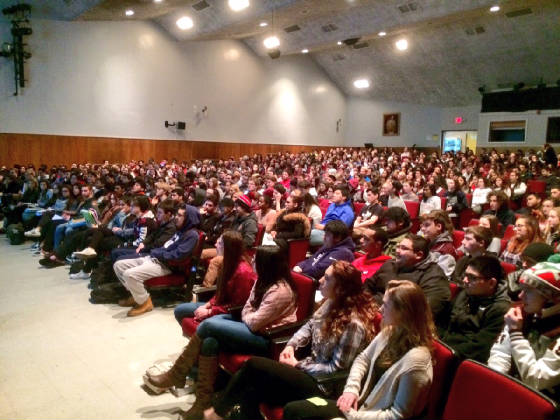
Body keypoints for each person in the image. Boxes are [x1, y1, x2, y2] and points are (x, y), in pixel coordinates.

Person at [203, 261, 380, 420]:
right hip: (308, 370)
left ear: (341, 288)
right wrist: (291, 345)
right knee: (251, 387)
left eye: (327, 278)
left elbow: (336, 369)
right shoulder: (331, 302)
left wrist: (297, 365)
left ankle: (215, 415)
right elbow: (309, 326)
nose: (320, 281)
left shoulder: (353, 324)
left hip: (324, 385)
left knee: (253, 365)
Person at [146, 246, 297, 419]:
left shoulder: (281, 291)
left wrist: (247, 314)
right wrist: (248, 313)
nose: (252, 261)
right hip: (251, 327)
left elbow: (254, 322)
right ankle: (203, 401)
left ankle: (177, 373)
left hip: (267, 338)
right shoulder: (263, 279)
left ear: (267, 264)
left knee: (208, 326)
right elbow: (248, 309)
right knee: (210, 340)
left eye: (257, 259)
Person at [281, 280, 435, 420]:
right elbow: (363, 359)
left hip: (364, 415)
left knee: (297, 413)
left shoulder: (417, 361)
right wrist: (351, 390)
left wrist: (353, 415)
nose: (380, 309)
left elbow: (397, 415)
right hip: (358, 406)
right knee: (294, 410)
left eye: (386, 305)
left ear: (403, 312)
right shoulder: (391, 332)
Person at [488, 262, 560, 399]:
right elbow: (500, 353)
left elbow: (536, 379)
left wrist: (516, 334)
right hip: (510, 391)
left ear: (552, 298)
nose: (520, 296)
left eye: (528, 291)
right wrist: (494, 382)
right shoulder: (523, 312)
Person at [113, 204, 200, 316]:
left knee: (129, 274)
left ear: (189, 218)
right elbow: (166, 246)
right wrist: (158, 252)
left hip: (166, 265)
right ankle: (136, 296)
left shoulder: (192, 235)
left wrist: (159, 253)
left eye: (180, 215)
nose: (176, 217)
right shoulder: (181, 230)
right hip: (156, 258)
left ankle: (145, 302)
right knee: (119, 265)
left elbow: (177, 255)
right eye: (176, 214)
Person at [366, 234, 450, 325]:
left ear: (418, 255)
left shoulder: (434, 276)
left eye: (404, 248)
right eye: (398, 246)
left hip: (401, 325)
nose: (397, 251)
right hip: (373, 312)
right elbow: (368, 286)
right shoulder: (390, 264)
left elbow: (424, 311)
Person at [439, 255, 510, 362]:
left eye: (472, 277)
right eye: (465, 275)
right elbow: (442, 321)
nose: (465, 280)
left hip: (460, 359)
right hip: (443, 348)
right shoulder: (466, 293)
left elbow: (479, 347)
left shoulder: (500, 309)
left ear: (491, 283)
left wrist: (444, 354)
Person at [419, 210, 457, 276]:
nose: (422, 229)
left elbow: (440, 278)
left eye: (427, 225)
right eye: (422, 226)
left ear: (439, 226)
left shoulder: (446, 251)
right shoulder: (427, 243)